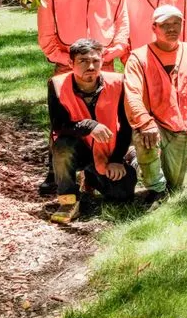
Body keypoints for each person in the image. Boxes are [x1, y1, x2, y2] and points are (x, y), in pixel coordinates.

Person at [36, 0, 129, 195]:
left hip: (104, 59)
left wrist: (113, 52)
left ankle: (96, 171)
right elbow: (45, 22)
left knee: (108, 116)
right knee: (63, 118)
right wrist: (60, 56)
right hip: (66, 58)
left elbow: (123, 21)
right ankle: (56, 172)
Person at [123, 5, 187, 203]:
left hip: (182, 125)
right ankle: (155, 188)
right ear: (154, 28)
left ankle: (137, 162)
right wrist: (145, 122)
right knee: (145, 144)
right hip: (152, 123)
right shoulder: (138, 57)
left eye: (176, 23)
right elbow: (132, 95)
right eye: (165, 24)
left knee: (174, 185)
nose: (172, 28)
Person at [47, 38, 138, 223]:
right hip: (77, 146)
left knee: (122, 195)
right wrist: (89, 126)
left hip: (108, 149)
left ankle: (125, 161)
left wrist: (116, 160)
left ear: (102, 61)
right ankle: (68, 200)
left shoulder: (118, 82)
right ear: (71, 63)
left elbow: (126, 125)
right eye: (83, 61)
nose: (91, 66)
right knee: (62, 147)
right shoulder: (56, 85)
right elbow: (58, 125)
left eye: (96, 61)